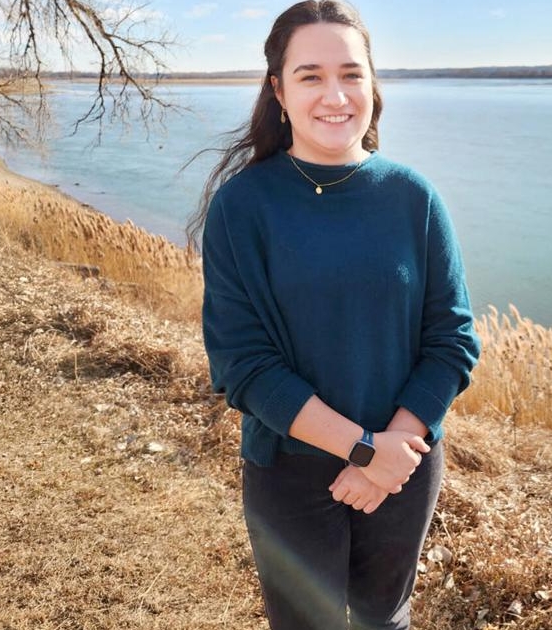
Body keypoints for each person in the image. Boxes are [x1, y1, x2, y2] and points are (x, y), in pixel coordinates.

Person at [187, 2, 481, 628]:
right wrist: (363, 451)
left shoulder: (413, 198)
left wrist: (395, 446)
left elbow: (452, 340)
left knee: (385, 618)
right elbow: (244, 364)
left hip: (405, 463)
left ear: (374, 83)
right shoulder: (243, 207)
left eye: (351, 73)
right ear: (279, 90)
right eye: (310, 75)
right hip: (290, 469)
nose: (336, 94)